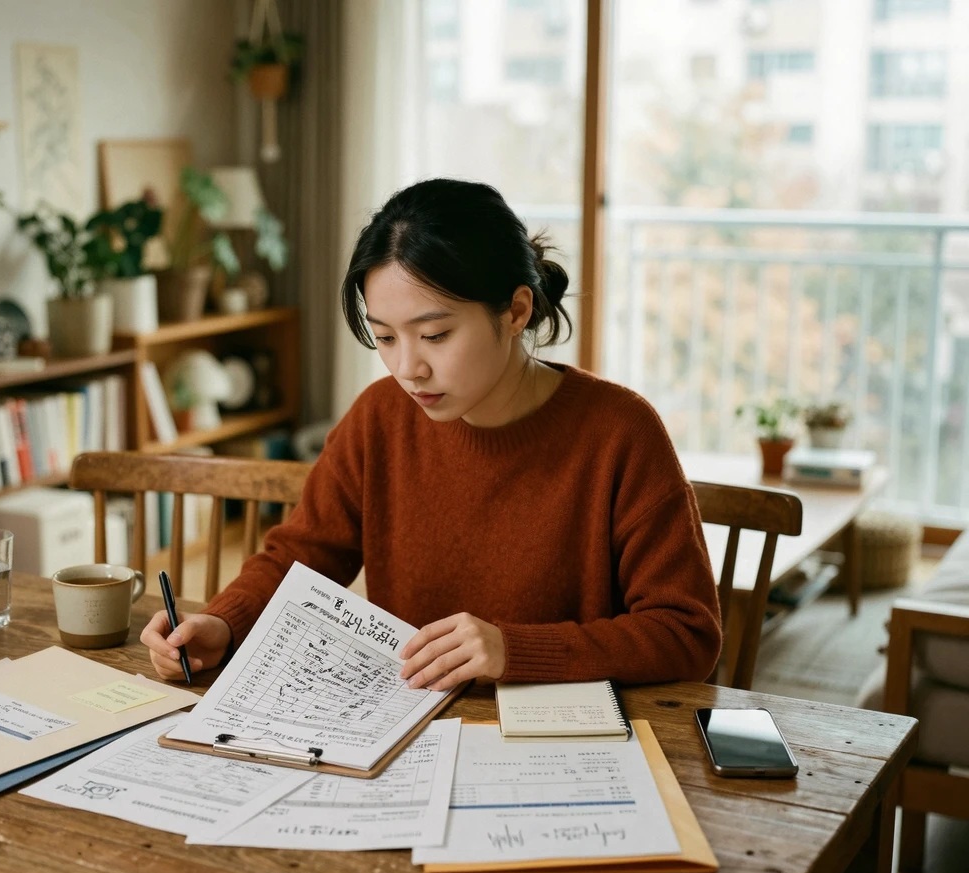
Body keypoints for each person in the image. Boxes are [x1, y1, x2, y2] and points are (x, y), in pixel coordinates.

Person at [142, 178, 721, 689]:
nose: (407, 368)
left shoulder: (619, 433)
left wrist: (512, 651)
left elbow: (686, 633)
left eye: (436, 335)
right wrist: (222, 622)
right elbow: (302, 555)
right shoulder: (380, 417)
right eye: (386, 337)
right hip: (406, 731)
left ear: (516, 311)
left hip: (560, 747)